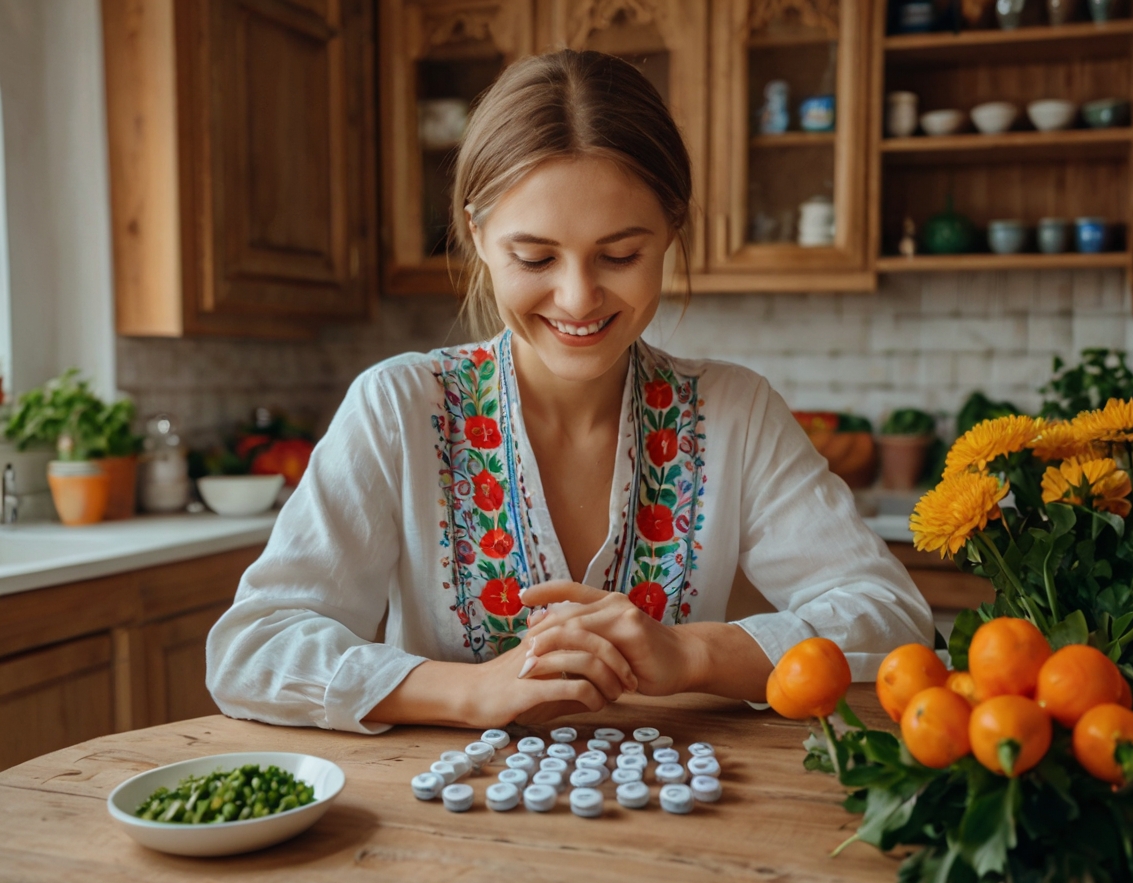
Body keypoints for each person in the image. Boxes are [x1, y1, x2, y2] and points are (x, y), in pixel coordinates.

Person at [206, 49, 933, 734]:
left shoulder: (735, 411)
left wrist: (691, 655)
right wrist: (468, 691)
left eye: (620, 254)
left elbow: (893, 617)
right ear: (478, 238)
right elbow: (253, 649)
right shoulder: (398, 406)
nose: (578, 297)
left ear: (673, 231)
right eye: (535, 256)